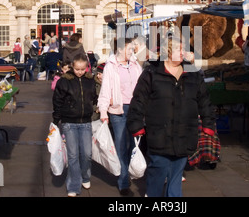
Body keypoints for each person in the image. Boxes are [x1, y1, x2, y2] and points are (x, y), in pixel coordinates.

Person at [127, 35, 216, 197]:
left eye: (184, 49)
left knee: (176, 177)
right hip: (159, 134)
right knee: (157, 173)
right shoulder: (151, 74)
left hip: (185, 134)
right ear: (168, 52)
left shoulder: (193, 74)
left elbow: (205, 101)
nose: (183, 53)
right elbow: (138, 101)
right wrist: (136, 125)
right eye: (178, 49)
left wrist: (208, 124)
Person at [97, 37, 142, 196]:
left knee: (134, 144)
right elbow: (105, 90)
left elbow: (143, 87)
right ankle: (123, 182)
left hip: (135, 109)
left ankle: (131, 171)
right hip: (118, 111)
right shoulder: (111, 66)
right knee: (121, 146)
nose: (132, 51)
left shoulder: (136, 65)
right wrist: (103, 112)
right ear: (121, 49)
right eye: (130, 49)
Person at [52, 54, 97, 197]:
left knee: (87, 154)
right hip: (69, 122)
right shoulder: (64, 81)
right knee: (73, 155)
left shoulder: (90, 81)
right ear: (72, 66)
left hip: (85, 121)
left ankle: (85, 176)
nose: (80, 72)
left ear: (86, 68)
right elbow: (57, 101)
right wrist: (56, 120)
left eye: (83, 69)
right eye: (77, 69)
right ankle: (73, 184)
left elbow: (93, 97)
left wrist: (96, 108)